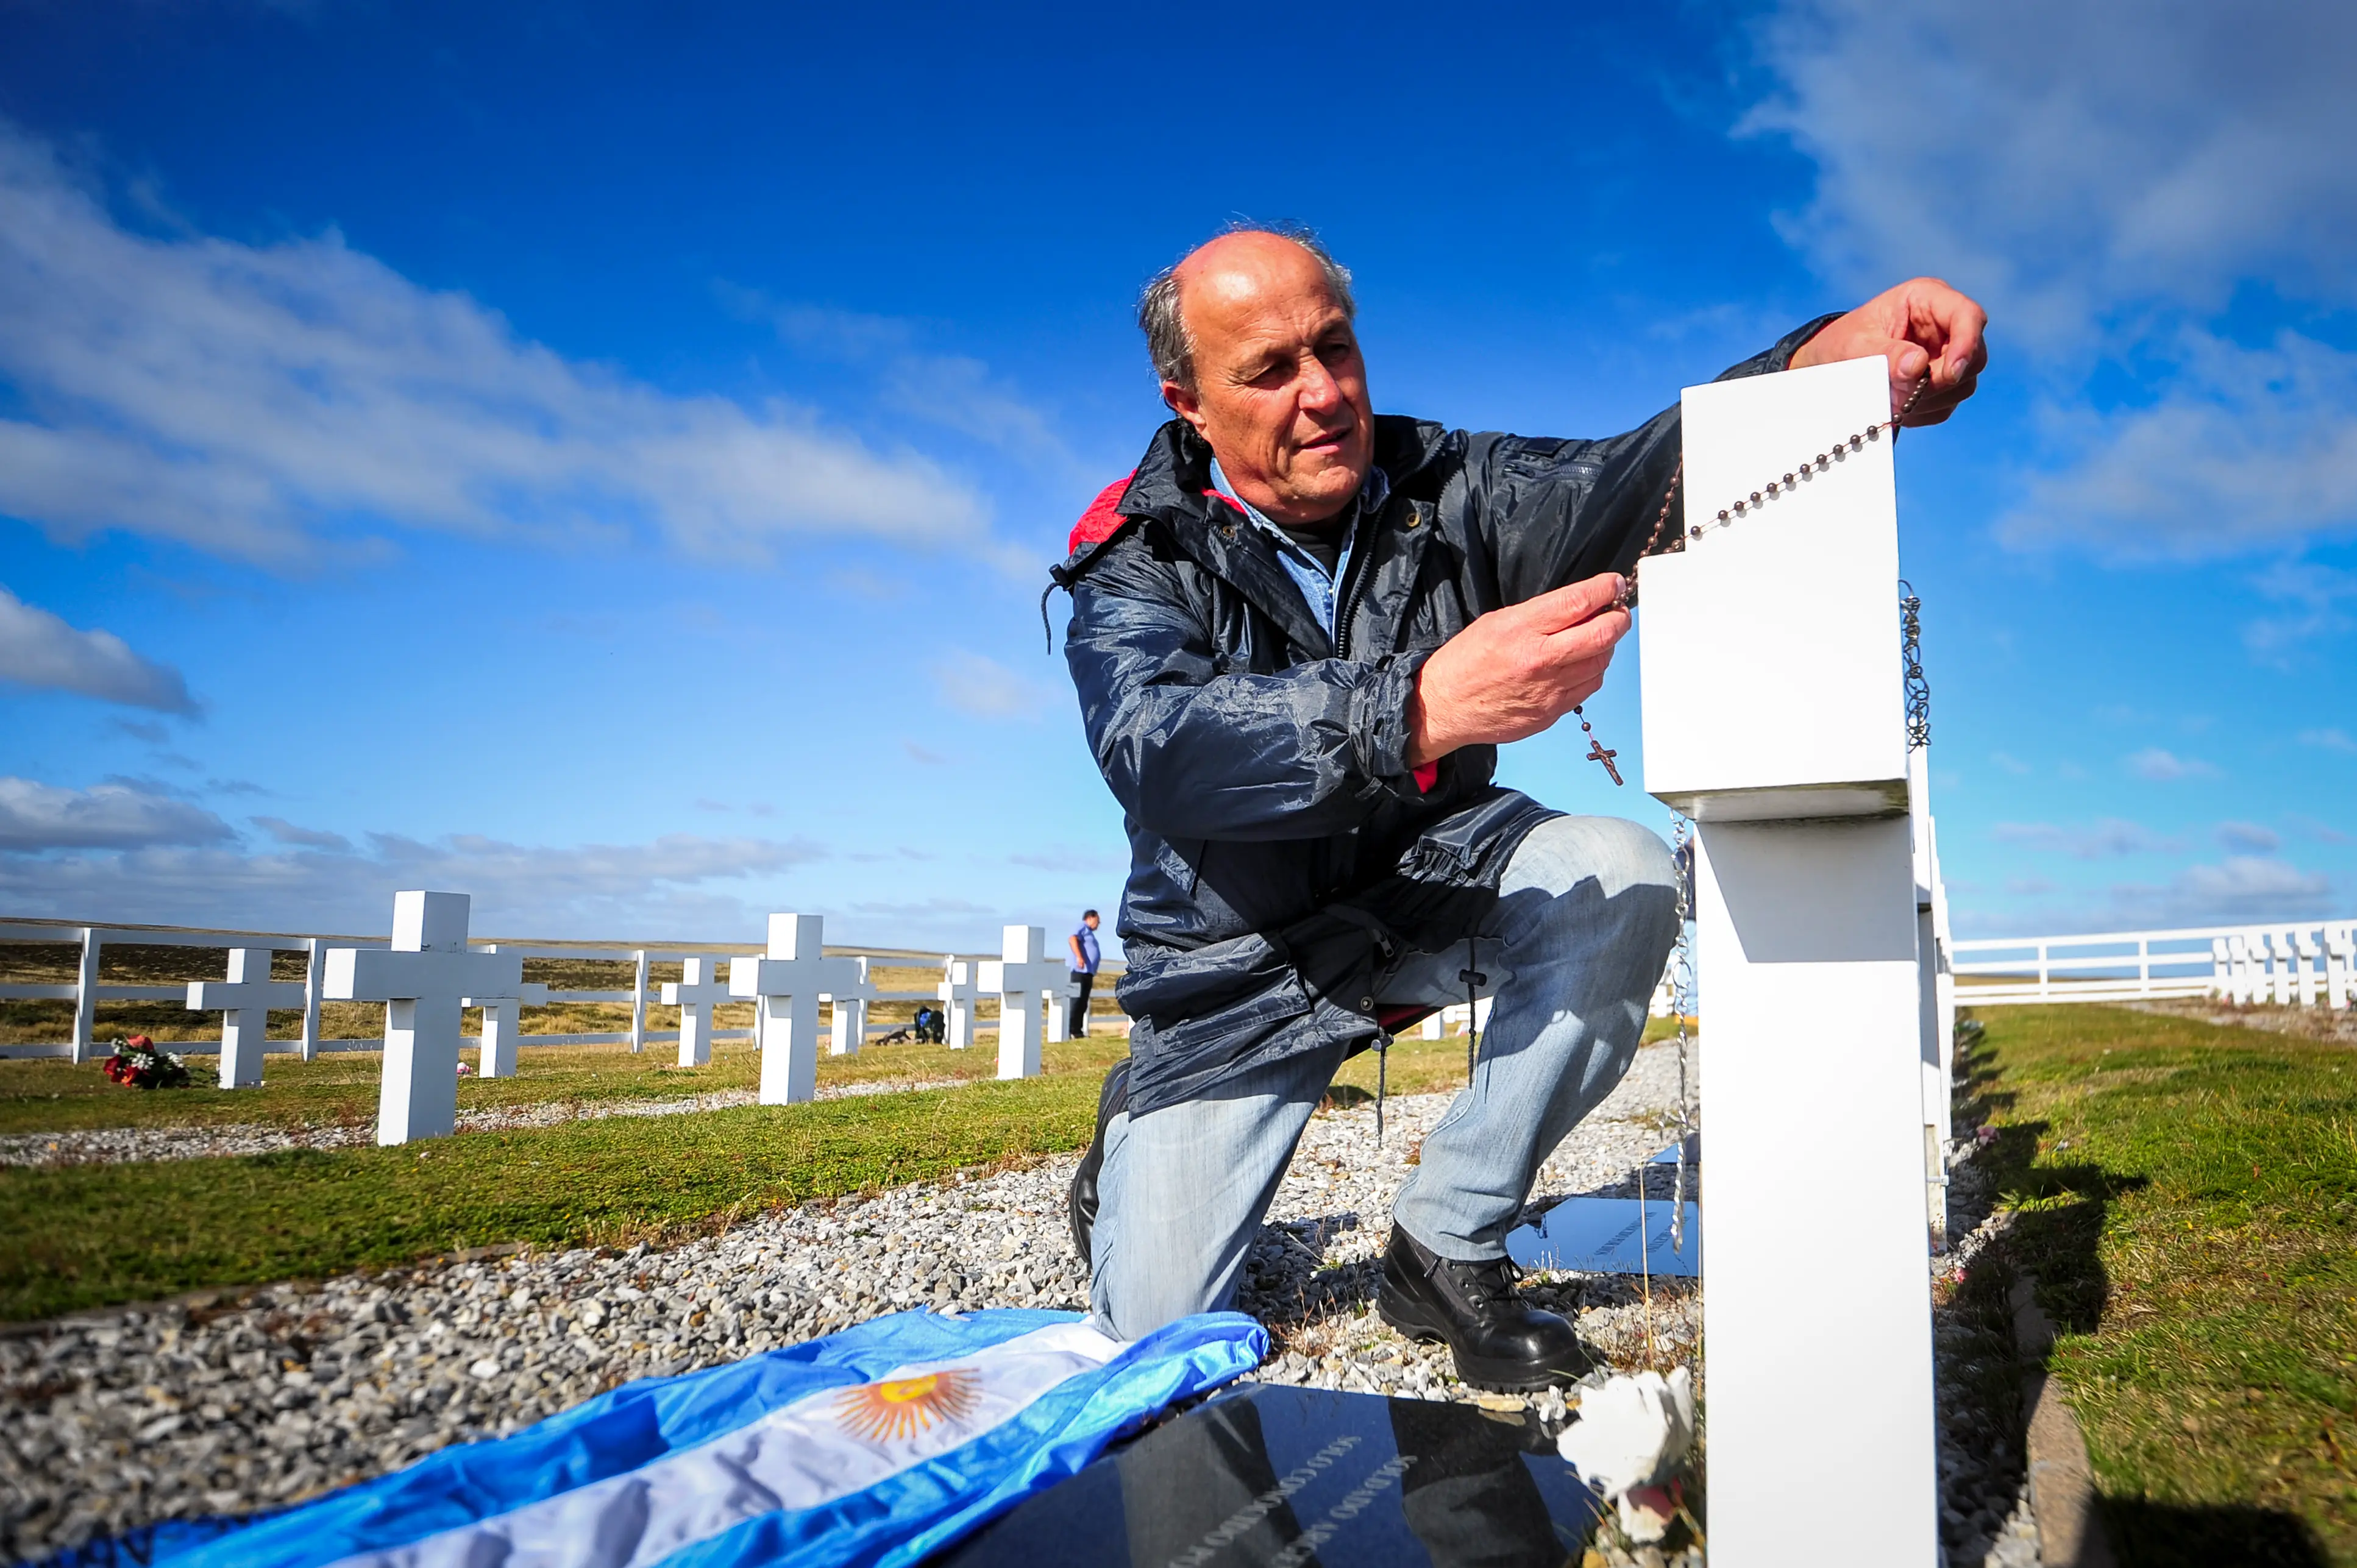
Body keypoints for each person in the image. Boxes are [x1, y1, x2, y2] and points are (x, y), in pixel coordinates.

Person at [1050, 225, 1986, 1391]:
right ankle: (1137, 1118)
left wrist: (1814, 370)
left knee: (1621, 871)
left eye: (1334, 348)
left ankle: (1446, 1239)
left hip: (1429, 872)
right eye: (1270, 371)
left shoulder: (1454, 487)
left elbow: (1626, 480)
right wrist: (1418, 705)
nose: (1323, 394)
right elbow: (1159, 749)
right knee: (1153, 1337)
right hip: (1241, 956)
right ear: (1185, 400)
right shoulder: (1134, 554)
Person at [1066, 910, 1102, 1037]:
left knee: (1083, 1002)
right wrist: (1079, 957)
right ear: (1090, 918)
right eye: (1098, 921)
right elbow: (1072, 938)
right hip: (1079, 971)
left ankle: (1077, 1030)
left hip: (1087, 972)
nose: (1099, 924)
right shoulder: (1082, 927)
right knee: (1076, 1000)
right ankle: (1071, 1029)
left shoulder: (1089, 933)